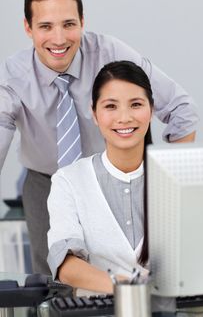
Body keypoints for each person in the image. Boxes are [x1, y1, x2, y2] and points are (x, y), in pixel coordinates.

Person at [0, 0, 198, 275]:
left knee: (149, 272)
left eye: (68, 24)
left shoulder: (110, 54)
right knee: (55, 282)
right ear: (28, 28)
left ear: (82, 20)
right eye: (45, 26)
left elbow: (182, 109)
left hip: (119, 176)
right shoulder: (12, 78)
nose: (58, 38)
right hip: (46, 181)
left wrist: (169, 185)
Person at [47, 60, 153, 293]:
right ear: (94, 113)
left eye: (136, 104)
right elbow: (65, 263)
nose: (124, 117)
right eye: (111, 106)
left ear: (151, 110)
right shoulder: (68, 181)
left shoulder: (175, 176)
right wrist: (127, 290)